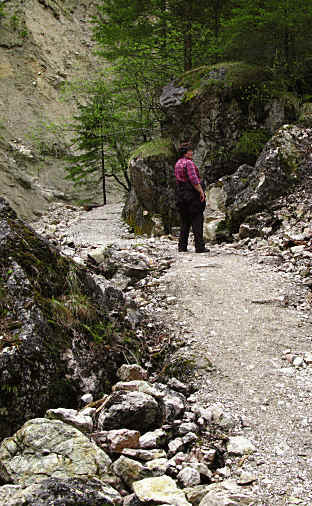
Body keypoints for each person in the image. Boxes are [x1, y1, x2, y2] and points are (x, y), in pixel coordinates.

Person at [175, 146, 209, 253]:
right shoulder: (189, 163)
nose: (192, 152)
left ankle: (182, 246)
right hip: (191, 195)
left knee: (184, 221)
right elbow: (194, 179)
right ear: (185, 153)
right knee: (197, 219)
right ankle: (199, 246)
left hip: (181, 194)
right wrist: (201, 191)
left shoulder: (177, 163)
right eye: (190, 151)